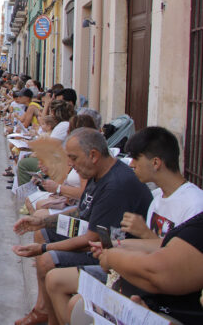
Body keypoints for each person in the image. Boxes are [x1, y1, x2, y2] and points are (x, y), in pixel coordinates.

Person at [46, 126, 203, 324]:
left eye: (136, 158)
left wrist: (119, 252)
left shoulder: (194, 204)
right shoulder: (156, 199)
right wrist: (114, 247)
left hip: (164, 298)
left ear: (155, 162)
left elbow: (171, 263)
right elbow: (153, 245)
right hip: (138, 282)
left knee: (77, 304)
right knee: (65, 290)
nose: (132, 164)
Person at [11, 127, 153, 325]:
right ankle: (43, 309)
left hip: (113, 259)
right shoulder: (99, 174)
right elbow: (83, 212)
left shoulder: (115, 186)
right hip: (101, 245)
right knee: (43, 233)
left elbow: (91, 240)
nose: (70, 164)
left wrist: (43, 249)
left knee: (46, 260)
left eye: (73, 158)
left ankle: (52, 317)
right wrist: (42, 222)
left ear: (93, 155)